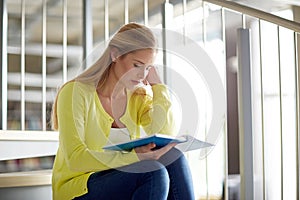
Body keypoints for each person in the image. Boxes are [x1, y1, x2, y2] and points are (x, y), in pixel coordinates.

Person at [51, 22, 195, 200]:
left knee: (173, 156)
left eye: (148, 68)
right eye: (137, 65)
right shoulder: (75, 92)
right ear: (115, 54)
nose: (142, 75)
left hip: (122, 180)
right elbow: (75, 159)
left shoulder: (137, 97)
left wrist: (159, 87)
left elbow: (164, 134)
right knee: (153, 173)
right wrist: (134, 158)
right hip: (79, 187)